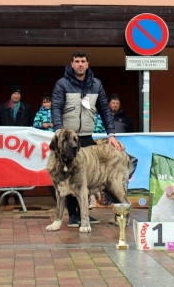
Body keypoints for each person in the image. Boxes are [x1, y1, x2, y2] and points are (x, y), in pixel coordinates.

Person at [51, 50, 121, 228]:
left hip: (87, 138)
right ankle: (73, 215)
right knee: (66, 176)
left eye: (83, 61)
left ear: (87, 64)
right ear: (72, 64)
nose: (80, 64)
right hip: (68, 140)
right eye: (77, 61)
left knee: (85, 177)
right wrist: (59, 132)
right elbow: (56, 108)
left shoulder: (96, 85)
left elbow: (105, 109)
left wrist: (111, 135)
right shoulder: (62, 84)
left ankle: (83, 215)